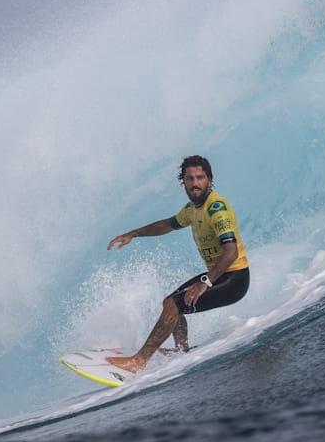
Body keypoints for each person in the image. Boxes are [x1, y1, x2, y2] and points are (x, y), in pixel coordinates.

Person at [105, 155, 250, 372]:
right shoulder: (192, 209)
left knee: (174, 306)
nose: (195, 183)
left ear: (209, 179)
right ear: (183, 182)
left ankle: (139, 361)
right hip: (219, 275)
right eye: (190, 178)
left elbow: (230, 252)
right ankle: (182, 350)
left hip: (234, 279)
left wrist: (205, 283)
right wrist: (133, 234)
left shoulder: (216, 209)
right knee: (171, 303)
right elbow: (167, 225)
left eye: (200, 177)